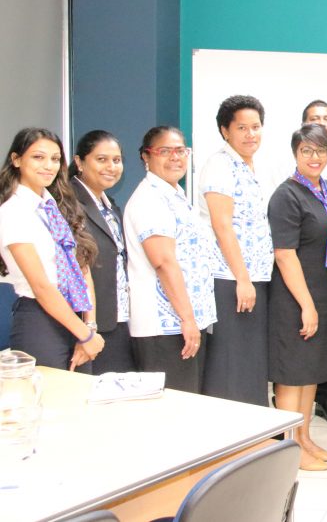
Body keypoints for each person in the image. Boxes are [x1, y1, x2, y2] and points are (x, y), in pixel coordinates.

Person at [267, 123, 327, 471]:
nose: (315, 157)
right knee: (292, 373)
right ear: (295, 154)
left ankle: (304, 438)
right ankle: (288, 448)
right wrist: (307, 305)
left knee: (312, 371)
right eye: (306, 151)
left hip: (325, 293)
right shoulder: (286, 195)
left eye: (321, 150)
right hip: (295, 298)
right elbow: (285, 255)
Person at [0, 128, 102, 372]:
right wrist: (86, 335)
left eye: (55, 159)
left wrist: (89, 326)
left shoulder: (56, 207)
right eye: (38, 157)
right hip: (39, 320)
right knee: (52, 395)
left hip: (77, 319)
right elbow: (42, 286)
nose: (48, 166)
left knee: (80, 393)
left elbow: (81, 267)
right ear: (16, 160)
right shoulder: (12, 212)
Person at [124, 127, 217, 392]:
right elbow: (163, 262)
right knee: (172, 407)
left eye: (180, 151)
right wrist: (187, 319)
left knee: (189, 402)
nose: (175, 157)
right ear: (146, 156)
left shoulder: (174, 195)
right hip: (164, 326)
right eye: (164, 151)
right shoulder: (149, 199)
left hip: (186, 324)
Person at [199, 95, 274, 406]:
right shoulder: (220, 165)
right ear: (225, 131)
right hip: (230, 279)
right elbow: (222, 225)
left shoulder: (253, 166)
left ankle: (253, 427)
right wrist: (242, 279)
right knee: (230, 362)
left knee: (250, 362)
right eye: (242, 128)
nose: (250, 134)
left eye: (255, 127)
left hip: (256, 278)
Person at [71, 130, 135, 373]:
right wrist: (88, 328)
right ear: (79, 162)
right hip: (87, 325)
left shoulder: (110, 206)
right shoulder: (68, 202)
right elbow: (77, 268)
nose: (111, 167)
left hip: (116, 318)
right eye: (101, 159)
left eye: (116, 160)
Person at [300, 99, 327, 426]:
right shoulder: (293, 178)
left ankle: (326, 397)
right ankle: (293, 411)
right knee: (303, 352)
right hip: (304, 276)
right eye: (315, 118)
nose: (322, 122)